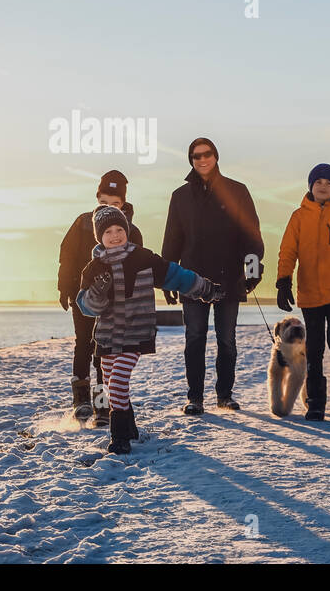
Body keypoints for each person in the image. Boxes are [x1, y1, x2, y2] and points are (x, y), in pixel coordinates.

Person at [77, 205, 222, 454]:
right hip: (108, 336)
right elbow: (88, 308)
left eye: (119, 229)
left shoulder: (142, 258)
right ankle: (130, 427)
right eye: (108, 231)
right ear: (99, 237)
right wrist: (97, 294)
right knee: (111, 384)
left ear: (127, 230)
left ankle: (120, 438)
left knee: (119, 381)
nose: (115, 235)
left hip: (135, 332)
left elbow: (177, 276)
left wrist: (205, 288)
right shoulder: (93, 269)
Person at [161, 137, 264, 414]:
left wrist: (252, 270)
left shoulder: (237, 191)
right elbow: (172, 239)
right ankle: (195, 398)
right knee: (194, 337)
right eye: (196, 156)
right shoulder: (180, 197)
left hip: (229, 276)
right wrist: (167, 277)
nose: (202, 159)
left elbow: (251, 234)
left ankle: (225, 395)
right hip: (191, 279)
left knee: (226, 339)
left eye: (207, 154)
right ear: (191, 160)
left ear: (216, 156)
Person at [276, 163, 330, 424]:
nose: (323, 186)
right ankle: (315, 405)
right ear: (311, 187)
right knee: (314, 348)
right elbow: (288, 251)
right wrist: (283, 281)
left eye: (328, 182)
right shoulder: (299, 216)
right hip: (311, 293)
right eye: (318, 182)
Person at [57, 170, 144, 425]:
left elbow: (139, 265)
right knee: (84, 342)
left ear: (123, 204)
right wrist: (64, 287)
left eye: (115, 204)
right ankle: (82, 400)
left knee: (104, 349)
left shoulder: (130, 230)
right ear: (97, 199)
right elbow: (68, 255)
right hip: (83, 296)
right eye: (104, 203)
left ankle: (103, 403)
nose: (108, 209)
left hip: (115, 302)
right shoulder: (83, 222)